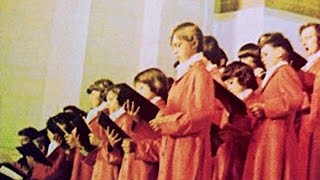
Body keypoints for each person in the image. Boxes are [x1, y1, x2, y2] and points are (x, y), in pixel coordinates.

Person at [148, 22, 216, 180]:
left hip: (189, 147)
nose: (175, 51)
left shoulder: (200, 74)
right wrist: (162, 114)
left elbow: (202, 114)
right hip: (176, 144)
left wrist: (166, 122)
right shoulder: (185, 73)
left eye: (178, 45)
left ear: (194, 42)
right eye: (173, 47)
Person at [243, 35, 304, 180]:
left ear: (280, 52)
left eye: (266, 54)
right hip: (268, 133)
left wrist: (266, 108)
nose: (262, 59)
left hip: (277, 134)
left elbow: (294, 99)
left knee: (272, 171)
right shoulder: (273, 74)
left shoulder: (284, 71)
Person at [120, 68, 169, 180]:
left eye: (141, 88)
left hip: (146, 166)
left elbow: (161, 142)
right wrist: (135, 120)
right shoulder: (139, 111)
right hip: (135, 164)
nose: (137, 92)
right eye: (136, 88)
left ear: (156, 86)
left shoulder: (162, 111)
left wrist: (138, 124)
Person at [212, 61, 258, 180]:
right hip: (228, 154)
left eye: (231, 82)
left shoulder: (254, 101)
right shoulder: (230, 104)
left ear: (244, 79)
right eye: (226, 84)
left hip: (244, 155)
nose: (229, 87)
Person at [66, 79, 113, 180]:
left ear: (103, 94)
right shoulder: (93, 114)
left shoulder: (104, 114)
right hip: (85, 157)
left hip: (96, 162)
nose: (90, 98)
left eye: (93, 94)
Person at [299, 22, 320, 180]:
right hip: (303, 120)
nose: (304, 42)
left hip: (314, 119)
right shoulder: (309, 63)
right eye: (302, 39)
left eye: (309, 37)